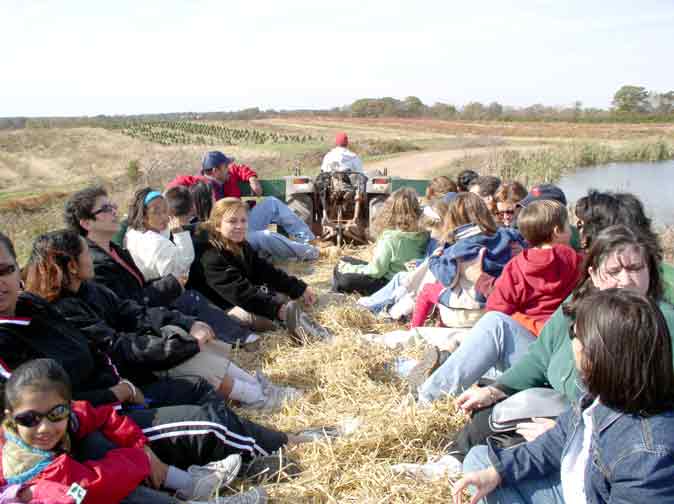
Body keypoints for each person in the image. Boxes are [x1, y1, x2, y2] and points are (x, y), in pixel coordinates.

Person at [0, 231, 336, 492]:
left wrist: (181, 333)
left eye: (5, 269)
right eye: (87, 252)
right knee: (205, 421)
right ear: (72, 264)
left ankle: (248, 454)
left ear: (18, 270)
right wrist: (133, 382)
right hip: (97, 420)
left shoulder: (38, 307)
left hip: (123, 392)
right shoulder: (43, 316)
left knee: (197, 389)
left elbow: (126, 318)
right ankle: (284, 444)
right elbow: (54, 407)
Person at [23, 229, 299, 411]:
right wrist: (184, 345)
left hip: (135, 355)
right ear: (72, 265)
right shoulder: (64, 308)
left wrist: (187, 324)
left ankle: (253, 387)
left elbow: (134, 311)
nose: (90, 258)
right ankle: (256, 398)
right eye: (85, 253)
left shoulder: (88, 289)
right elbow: (117, 347)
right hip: (122, 374)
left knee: (174, 328)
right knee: (184, 349)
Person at [455, 289, 674, 504]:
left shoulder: (647, 454)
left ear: (599, 353)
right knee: (480, 461)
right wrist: (499, 473)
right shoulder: (601, 397)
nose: (572, 344)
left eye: (575, 335)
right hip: (583, 484)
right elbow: (556, 441)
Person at [0, 359, 259, 504]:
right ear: (11, 418)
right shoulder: (27, 467)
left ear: (67, 406)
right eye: (29, 419)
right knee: (119, 493)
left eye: (56, 413)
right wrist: (139, 459)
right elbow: (94, 487)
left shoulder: (68, 417)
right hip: (75, 495)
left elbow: (103, 415)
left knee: (94, 438)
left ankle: (189, 484)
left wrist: (140, 445)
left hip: (81, 486)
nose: (44, 427)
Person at [406, 200, 582, 405]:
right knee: (474, 345)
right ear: (557, 230)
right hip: (557, 351)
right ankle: (441, 367)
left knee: (490, 328)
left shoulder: (519, 266)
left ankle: (427, 396)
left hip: (537, 352)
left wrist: (482, 280)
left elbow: (497, 307)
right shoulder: (579, 263)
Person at [64, 186, 255, 346]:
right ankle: (240, 336)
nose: (114, 211)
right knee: (190, 299)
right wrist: (171, 285)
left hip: (148, 308)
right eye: (105, 209)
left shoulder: (116, 248)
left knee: (192, 298)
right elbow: (127, 305)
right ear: (86, 223)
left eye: (112, 206)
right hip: (138, 332)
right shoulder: (94, 264)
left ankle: (237, 329)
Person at [188, 198, 331, 342]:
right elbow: (240, 293)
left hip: (239, 299)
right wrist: (276, 309)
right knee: (266, 316)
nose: (239, 226)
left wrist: (299, 288)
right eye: (232, 221)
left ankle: (308, 328)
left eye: (243, 221)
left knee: (284, 298)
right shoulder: (209, 255)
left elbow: (265, 270)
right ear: (217, 225)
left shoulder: (239, 243)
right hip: (221, 309)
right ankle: (303, 333)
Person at [169, 155, 320, 261]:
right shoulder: (201, 187)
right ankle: (313, 253)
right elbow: (175, 185)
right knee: (265, 236)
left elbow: (239, 169)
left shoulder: (226, 177)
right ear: (215, 171)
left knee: (271, 203)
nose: (229, 168)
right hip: (227, 237)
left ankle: (308, 240)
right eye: (225, 166)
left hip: (240, 222)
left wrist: (252, 178)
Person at [409, 193, 525, 329]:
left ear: (451, 218)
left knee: (428, 290)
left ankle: (414, 329)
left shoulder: (459, 248)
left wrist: (434, 260)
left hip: (472, 311)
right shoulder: (508, 236)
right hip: (501, 307)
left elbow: (447, 279)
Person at [333, 188, 428, 296]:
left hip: (387, 283)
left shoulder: (391, 238)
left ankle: (336, 293)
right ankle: (337, 291)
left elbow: (376, 271)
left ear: (390, 210)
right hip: (405, 281)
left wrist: (350, 268)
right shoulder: (423, 234)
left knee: (343, 275)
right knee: (345, 260)